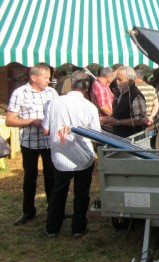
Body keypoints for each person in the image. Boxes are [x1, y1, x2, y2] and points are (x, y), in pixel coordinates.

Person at [42, 70, 101, 238]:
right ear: (86, 88)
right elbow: (96, 133)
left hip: (60, 155)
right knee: (81, 192)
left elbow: (46, 129)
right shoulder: (89, 106)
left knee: (58, 191)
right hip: (83, 157)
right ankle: (78, 228)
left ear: (71, 84)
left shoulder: (54, 103)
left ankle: (52, 228)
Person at [6, 62, 58, 226]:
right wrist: (32, 121)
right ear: (33, 77)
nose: (48, 81)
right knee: (30, 178)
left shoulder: (52, 93)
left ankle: (53, 211)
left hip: (49, 142)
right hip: (29, 143)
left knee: (52, 177)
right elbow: (9, 120)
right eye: (45, 78)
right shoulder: (19, 93)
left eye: (49, 78)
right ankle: (28, 211)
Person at [102, 66, 152, 137]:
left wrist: (118, 122)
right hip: (119, 136)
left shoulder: (135, 95)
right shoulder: (120, 92)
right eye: (117, 79)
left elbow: (141, 120)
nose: (117, 82)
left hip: (130, 139)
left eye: (120, 80)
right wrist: (109, 119)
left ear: (130, 81)